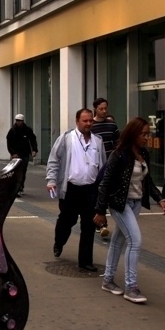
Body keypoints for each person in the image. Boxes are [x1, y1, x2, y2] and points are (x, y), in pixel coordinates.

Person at [94, 117, 165, 303]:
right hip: (119, 204)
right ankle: (131, 287)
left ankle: (108, 280)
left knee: (118, 241)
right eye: (143, 134)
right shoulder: (119, 154)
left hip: (135, 203)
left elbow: (147, 180)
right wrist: (100, 211)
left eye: (147, 133)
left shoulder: (143, 153)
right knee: (135, 241)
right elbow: (105, 183)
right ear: (133, 134)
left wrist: (160, 198)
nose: (146, 137)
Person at [46, 108, 106, 271]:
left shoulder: (97, 142)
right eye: (84, 121)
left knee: (89, 225)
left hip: (91, 191)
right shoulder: (66, 139)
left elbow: (103, 168)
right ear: (77, 121)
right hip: (71, 189)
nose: (88, 124)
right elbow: (54, 160)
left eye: (90, 121)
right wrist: (51, 180)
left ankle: (85, 261)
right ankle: (59, 242)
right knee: (67, 220)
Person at [90, 98, 120, 237]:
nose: (104, 111)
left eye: (105, 108)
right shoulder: (91, 125)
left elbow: (118, 142)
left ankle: (102, 222)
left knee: (108, 192)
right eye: (101, 108)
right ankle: (101, 224)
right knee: (99, 193)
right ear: (95, 108)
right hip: (96, 165)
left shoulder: (111, 124)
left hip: (111, 164)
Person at [6, 113, 38, 195]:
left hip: (24, 154)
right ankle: (15, 187)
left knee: (23, 171)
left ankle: (20, 187)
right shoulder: (12, 131)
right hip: (16, 155)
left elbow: (33, 139)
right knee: (15, 171)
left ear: (23, 121)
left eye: (20, 121)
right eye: (17, 121)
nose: (18, 122)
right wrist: (12, 153)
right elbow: (9, 143)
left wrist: (34, 150)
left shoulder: (27, 130)